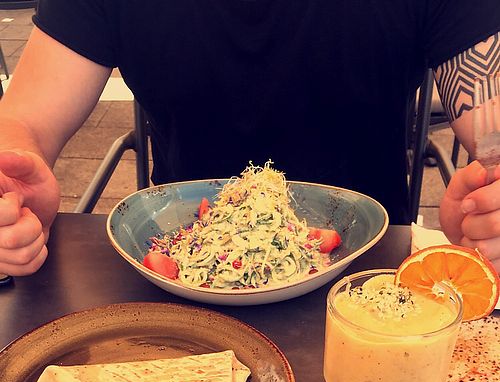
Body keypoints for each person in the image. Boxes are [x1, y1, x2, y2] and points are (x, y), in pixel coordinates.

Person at [0, 0, 499, 277]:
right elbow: (24, 124)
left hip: (372, 278)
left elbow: (491, 126)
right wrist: (14, 178)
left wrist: (493, 190)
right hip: (177, 274)